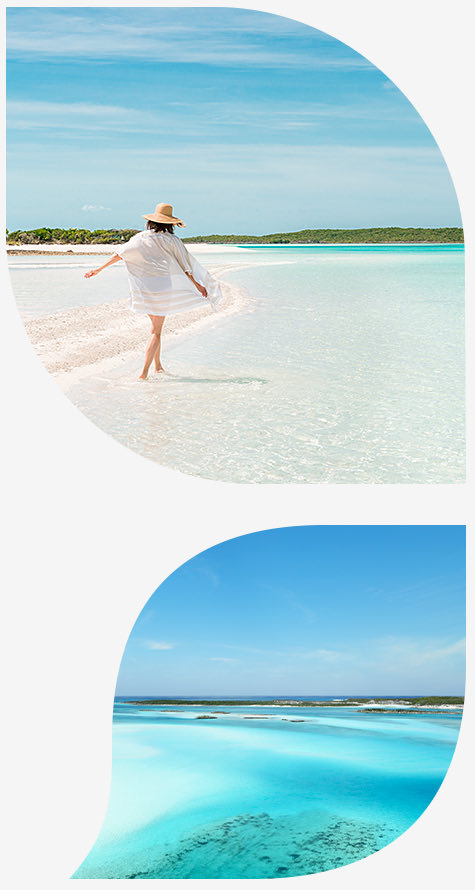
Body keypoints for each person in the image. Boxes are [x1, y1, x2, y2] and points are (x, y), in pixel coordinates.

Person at [84, 203, 222, 379]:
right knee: (156, 331)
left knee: (155, 328)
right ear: (170, 224)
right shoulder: (173, 240)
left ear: (152, 221)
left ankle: (158, 366)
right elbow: (185, 266)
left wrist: (99, 269)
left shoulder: (140, 237)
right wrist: (197, 285)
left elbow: (120, 254)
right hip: (164, 286)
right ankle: (143, 374)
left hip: (145, 287)